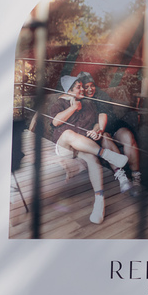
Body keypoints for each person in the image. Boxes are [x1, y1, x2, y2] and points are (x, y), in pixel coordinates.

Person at [50, 75, 129, 224]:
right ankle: (107, 154)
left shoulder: (88, 103)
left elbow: (96, 122)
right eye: (78, 87)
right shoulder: (60, 103)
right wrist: (73, 107)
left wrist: (96, 130)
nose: (83, 89)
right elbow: (55, 122)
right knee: (68, 133)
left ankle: (99, 202)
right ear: (69, 90)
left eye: (82, 86)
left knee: (93, 159)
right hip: (65, 146)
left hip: (83, 146)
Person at [80, 73, 143, 196]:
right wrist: (99, 130)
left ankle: (136, 178)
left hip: (112, 125)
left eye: (92, 85)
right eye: (86, 87)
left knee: (128, 136)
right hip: (98, 133)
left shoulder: (102, 95)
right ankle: (122, 178)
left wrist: (101, 128)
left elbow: (103, 114)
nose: (90, 89)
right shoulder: (80, 100)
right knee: (105, 139)